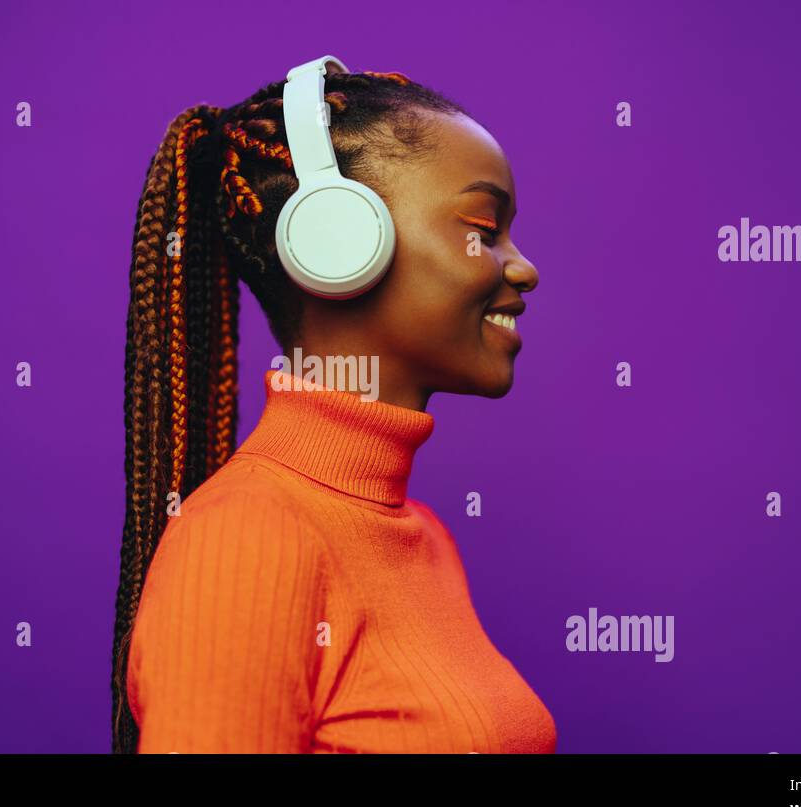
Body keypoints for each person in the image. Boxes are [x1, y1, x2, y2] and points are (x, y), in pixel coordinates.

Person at [114, 61, 550, 753]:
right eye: (483, 227)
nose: (522, 267)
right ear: (339, 242)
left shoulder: (421, 533)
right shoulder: (246, 540)